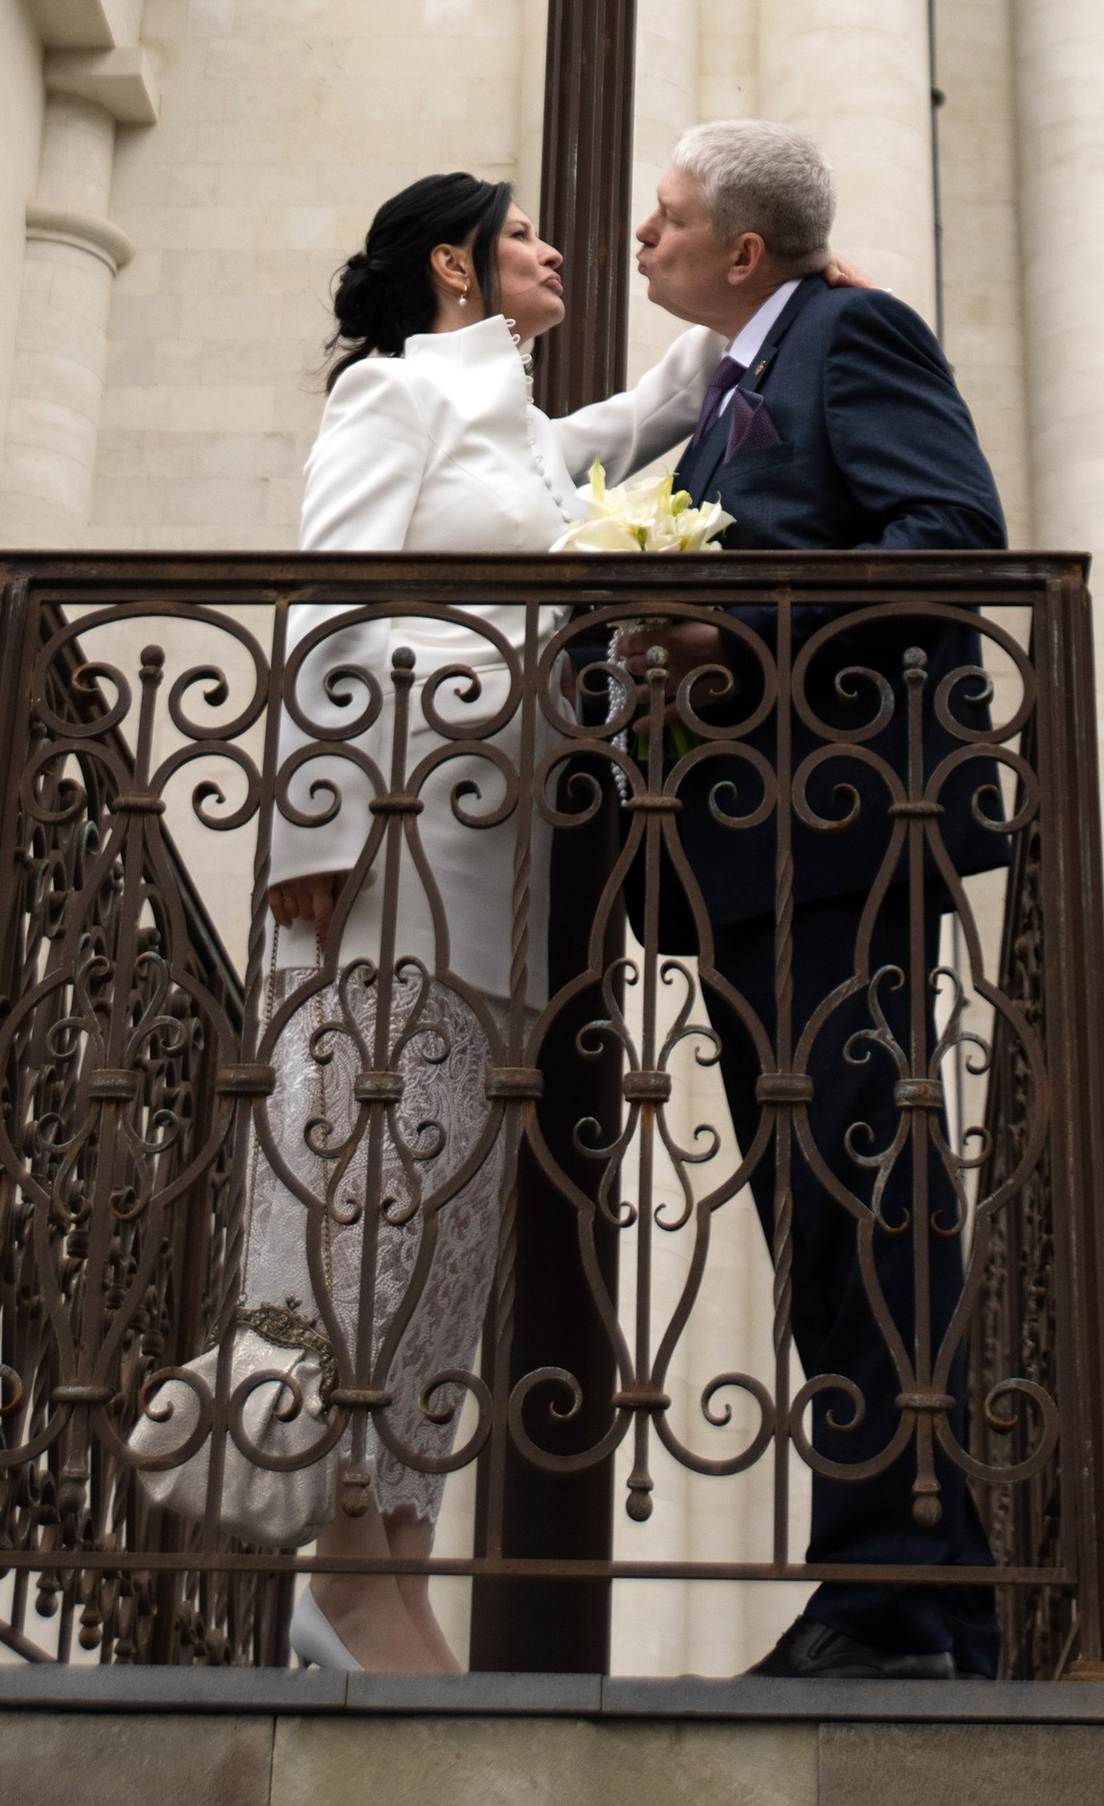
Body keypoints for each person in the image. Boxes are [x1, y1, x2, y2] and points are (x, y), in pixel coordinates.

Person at [247, 171, 711, 1676]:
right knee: (373, 1193)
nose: (551, 249)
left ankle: (398, 1561)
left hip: (499, 864)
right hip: (386, 845)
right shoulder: (394, 394)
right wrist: (312, 822)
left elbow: (627, 429)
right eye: (520, 233)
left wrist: (760, 305)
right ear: (455, 263)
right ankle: (335, 1559)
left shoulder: (511, 424)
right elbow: (331, 596)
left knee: (450, 1222)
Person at [635, 121, 1008, 1683]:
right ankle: (914, 1586)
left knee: (867, 1199)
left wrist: (741, 640)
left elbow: (950, 537)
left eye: (668, 220)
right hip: (748, 854)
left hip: (843, 826)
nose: (643, 239)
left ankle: (900, 1590)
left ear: (742, 250)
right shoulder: (727, 399)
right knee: (818, 1212)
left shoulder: (853, 333)